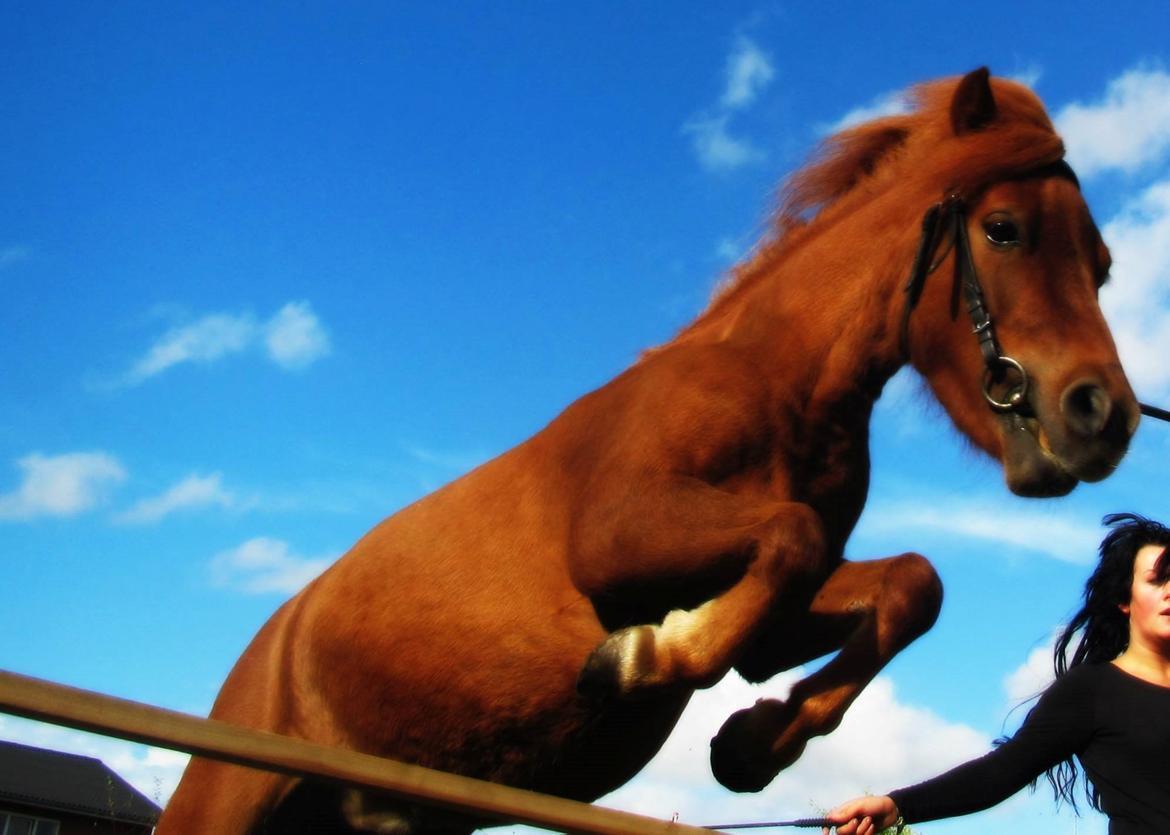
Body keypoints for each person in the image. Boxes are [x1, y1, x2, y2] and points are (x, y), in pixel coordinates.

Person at [822, 512, 1170, 835]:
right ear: (1124, 600)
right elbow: (1000, 773)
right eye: (1157, 581)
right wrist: (897, 806)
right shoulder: (1092, 691)